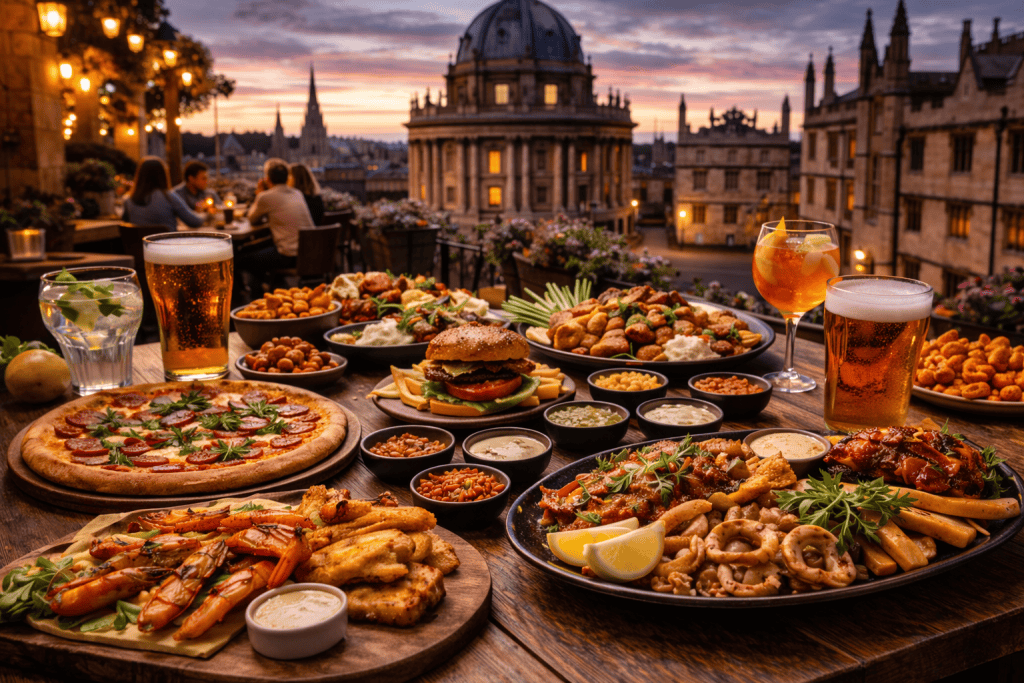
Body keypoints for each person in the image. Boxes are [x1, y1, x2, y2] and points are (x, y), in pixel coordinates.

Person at [236, 159, 315, 300]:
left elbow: (252, 218)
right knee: (256, 254)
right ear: (287, 177)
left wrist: (260, 193)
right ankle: (272, 287)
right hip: (307, 253)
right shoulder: (297, 193)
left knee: (240, 259)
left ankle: (254, 296)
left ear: (267, 179)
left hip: (289, 256)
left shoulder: (265, 197)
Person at [122, 157, 205, 230]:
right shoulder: (169, 196)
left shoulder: (128, 200)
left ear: (139, 175)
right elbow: (194, 222)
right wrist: (204, 214)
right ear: (163, 175)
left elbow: (124, 224)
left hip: (139, 247)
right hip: (166, 246)